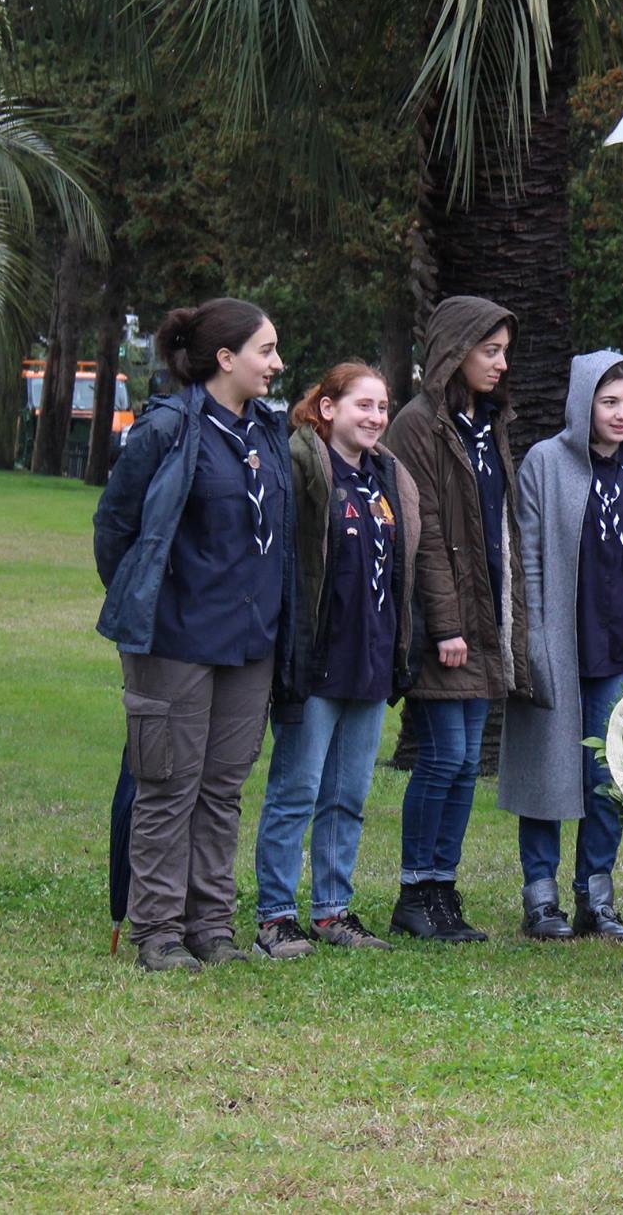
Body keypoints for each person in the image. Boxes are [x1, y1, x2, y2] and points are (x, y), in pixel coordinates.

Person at [93, 298, 293, 971]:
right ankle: (157, 931)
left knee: (221, 790)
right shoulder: (169, 426)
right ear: (226, 357)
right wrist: (145, 596)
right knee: (168, 786)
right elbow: (114, 527)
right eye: (266, 351)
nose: (277, 363)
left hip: (249, 642)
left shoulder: (267, 431)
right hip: (174, 638)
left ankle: (211, 926)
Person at [501, 352, 623, 942]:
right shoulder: (546, 462)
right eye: (609, 402)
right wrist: (528, 641)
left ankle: (595, 897)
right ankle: (541, 899)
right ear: (584, 403)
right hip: (558, 641)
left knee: (607, 775)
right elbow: (526, 557)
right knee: (548, 771)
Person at [254, 363, 420, 958]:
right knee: (295, 791)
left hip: (370, 663)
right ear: (327, 409)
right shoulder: (304, 469)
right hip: (317, 662)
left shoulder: (388, 479)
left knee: (348, 796)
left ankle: (331, 912)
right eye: (363, 405)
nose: (376, 417)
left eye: (383, 406)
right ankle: (275, 915)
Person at [384, 296, 533, 942]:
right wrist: (445, 625)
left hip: (483, 619)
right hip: (445, 627)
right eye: (490, 350)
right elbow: (427, 531)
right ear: (454, 351)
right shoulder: (419, 425)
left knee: (467, 759)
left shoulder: (485, 423)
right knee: (443, 757)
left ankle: (442, 889)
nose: (501, 364)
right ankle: (415, 890)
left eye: (505, 352)